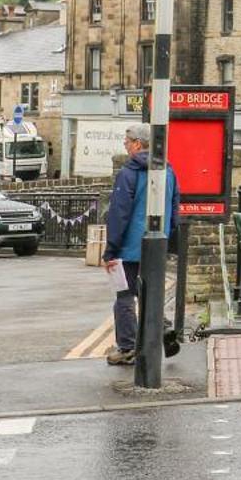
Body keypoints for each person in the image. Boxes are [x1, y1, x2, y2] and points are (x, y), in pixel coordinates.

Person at [101, 124, 178, 367]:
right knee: (149, 292)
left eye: (126, 141)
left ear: (137, 144)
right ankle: (163, 327)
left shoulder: (128, 173)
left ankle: (127, 347)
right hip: (157, 243)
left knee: (124, 295)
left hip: (129, 247)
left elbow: (119, 214)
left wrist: (110, 250)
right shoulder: (169, 171)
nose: (125, 145)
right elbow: (175, 210)